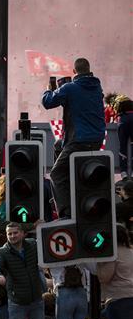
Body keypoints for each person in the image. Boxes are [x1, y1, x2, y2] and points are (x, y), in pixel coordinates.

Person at [41, 57, 106, 218]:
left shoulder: (69, 88)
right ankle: (68, 188)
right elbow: (80, 100)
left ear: (74, 71)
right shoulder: (97, 87)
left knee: (56, 174)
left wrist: (49, 89)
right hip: (97, 139)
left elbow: (47, 102)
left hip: (79, 140)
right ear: (89, 69)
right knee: (58, 145)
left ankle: (66, 213)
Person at [0, 222, 45, 319]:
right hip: (17, 302)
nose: (12, 236)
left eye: (15, 233)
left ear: (22, 234)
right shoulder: (3, 251)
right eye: (9, 234)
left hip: (36, 300)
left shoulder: (32, 245)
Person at [98, 225, 133, 319]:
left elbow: (105, 277)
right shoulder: (130, 252)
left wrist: (99, 263)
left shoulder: (112, 254)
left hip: (118, 299)